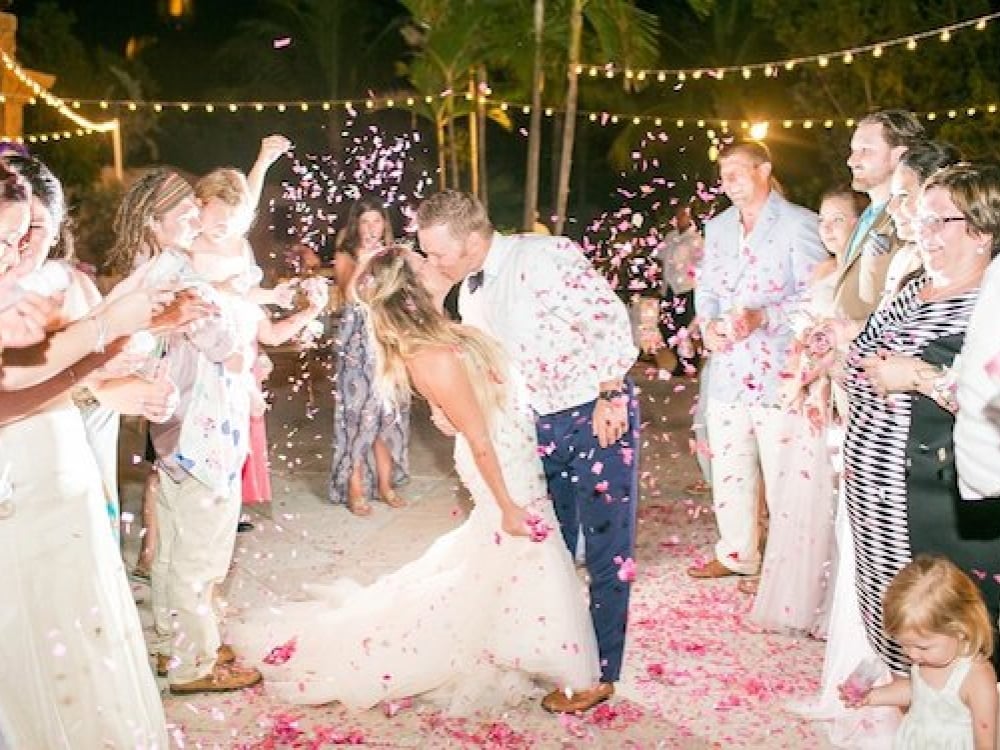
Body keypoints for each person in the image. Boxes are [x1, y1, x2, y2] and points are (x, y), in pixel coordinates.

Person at [231, 245, 599, 714]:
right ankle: (572, 671)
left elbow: (462, 404)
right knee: (531, 545)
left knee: (508, 554)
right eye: (422, 260)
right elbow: (479, 436)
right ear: (410, 285)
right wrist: (507, 504)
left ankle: (518, 639)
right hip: (498, 465)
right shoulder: (431, 351)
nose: (433, 261)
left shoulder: (441, 329)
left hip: (510, 451)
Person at [416, 190, 639, 714]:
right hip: (534, 427)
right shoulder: (470, 294)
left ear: (472, 239)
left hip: (592, 414)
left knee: (608, 548)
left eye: (436, 251)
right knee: (554, 550)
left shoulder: (545, 255)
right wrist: (451, 406)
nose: (432, 262)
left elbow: (607, 319)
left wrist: (610, 393)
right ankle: (567, 656)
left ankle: (601, 672)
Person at [0, 162, 173, 748]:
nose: (20, 247)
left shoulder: (59, 284)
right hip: (14, 478)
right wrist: (100, 334)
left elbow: (71, 382)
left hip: (61, 462)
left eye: (33, 231)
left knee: (75, 623)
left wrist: (122, 385)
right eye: (10, 234)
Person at [109, 168, 263, 694]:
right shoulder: (176, 271)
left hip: (177, 430)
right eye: (184, 212)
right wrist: (246, 350)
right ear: (156, 221)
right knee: (200, 553)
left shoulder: (148, 267)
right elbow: (225, 346)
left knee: (173, 546)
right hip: (204, 430)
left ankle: (167, 644)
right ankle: (196, 663)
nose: (195, 217)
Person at [844, 163, 1000, 677]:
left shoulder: (987, 308)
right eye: (922, 222)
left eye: (939, 223)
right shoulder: (913, 287)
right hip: (876, 503)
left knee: (944, 635)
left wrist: (917, 377)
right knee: (899, 625)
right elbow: (868, 355)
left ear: (980, 231)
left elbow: (988, 405)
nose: (922, 235)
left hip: (936, 505)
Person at [687, 140, 826, 580]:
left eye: (736, 173)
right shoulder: (719, 227)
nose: (727, 184)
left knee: (784, 470)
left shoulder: (800, 223)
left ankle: (788, 569)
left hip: (779, 367)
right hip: (728, 366)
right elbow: (705, 288)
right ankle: (737, 553)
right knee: (729, 462)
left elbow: (814, 296)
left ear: (763, 169)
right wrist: (707, 322)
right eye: (723, 175)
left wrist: (764, 316)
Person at [748, 186, 866, 632]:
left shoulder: (869, 275)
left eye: (839, 219)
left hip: (846, 394)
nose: (828, 229)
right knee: (810, 497)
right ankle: (807, 599)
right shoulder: (821, 271)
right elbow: (800, 334)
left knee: (844, 499)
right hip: (813, 397)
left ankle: (844, 607)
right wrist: (801, 368)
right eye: (823, 220)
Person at [842, 556, 997, 749]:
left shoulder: (977, 675)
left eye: (922, 647)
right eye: (904, 645)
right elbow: (919, 692)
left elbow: (985, 734)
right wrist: (873, 696)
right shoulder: (929, 659)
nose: (912, 655)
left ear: (960, 629)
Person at [328, 197, 409, 515]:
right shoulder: (345, 254)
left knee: (388, 417)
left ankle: (386, 486)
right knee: (357, 418)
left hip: (387, 342)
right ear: (356, 226)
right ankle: (355, 488)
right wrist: (364, 262)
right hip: (355, 346)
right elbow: (348, 295)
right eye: (365, 222)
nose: (372, 228)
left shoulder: (394, 256)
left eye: (377, 221)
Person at [880, 141, 962, 309]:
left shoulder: (959, 269)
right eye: (892, 196)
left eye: (903, 195)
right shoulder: (903, 257)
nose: (890, 208)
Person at [655, 202, 703, 373]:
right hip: (669, 288)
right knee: (666, 326)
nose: (680, 218)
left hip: (686, 289)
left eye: (684, 215)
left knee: (685, 329)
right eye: (678, 215)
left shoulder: (695, 240)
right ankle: (680, 359)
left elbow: (703, 265)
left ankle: (690, 362)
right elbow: (660, 259)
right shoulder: (670, 237)